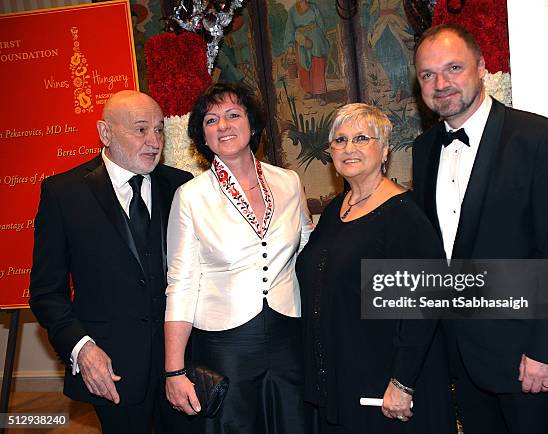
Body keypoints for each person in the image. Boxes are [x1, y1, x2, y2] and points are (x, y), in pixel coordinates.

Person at [412, 24, 548, 434]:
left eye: (453, 67)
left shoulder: (539, 139)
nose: (441, 84)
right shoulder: (424, 151)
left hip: (527, 358)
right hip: (461, 357)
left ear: (482, 67)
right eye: (427, 74)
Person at [29, 90, 193, 433]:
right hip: (112, 372)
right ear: (105, 133)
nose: (154, 141)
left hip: (182, 366)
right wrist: (81, 348)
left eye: (159, 130)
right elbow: (47, 292)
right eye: (141, 129)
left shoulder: (180, 186)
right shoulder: (64, 194)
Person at [296, 103, 456, 434]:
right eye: (339, 140)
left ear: (384, 151)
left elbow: (424, 306)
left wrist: (402, 382)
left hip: (382, 384)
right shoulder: (335, 211)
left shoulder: (403, 216)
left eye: (360, 138)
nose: (348, 148)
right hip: (342, 376)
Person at [164, 82, 313, 433]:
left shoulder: (288, 182)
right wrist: (174, 369)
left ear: (252, 123)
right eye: (211, 120)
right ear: (202, 136)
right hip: (225, 346)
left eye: (233, 115)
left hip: (288, 335)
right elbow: (181, 285)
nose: (224, 125)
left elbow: (309, 250)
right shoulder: (190, 197)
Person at [284, 0, 329, 105]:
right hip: (301, 40)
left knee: (317, 64)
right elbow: (289, 29)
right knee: (303, 66)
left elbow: (321, 24)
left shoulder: (313, 7)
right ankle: (309, 91)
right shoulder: (292, 11)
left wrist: (321, 38)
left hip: (315, 40)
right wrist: (290, 45)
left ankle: (319, 94)